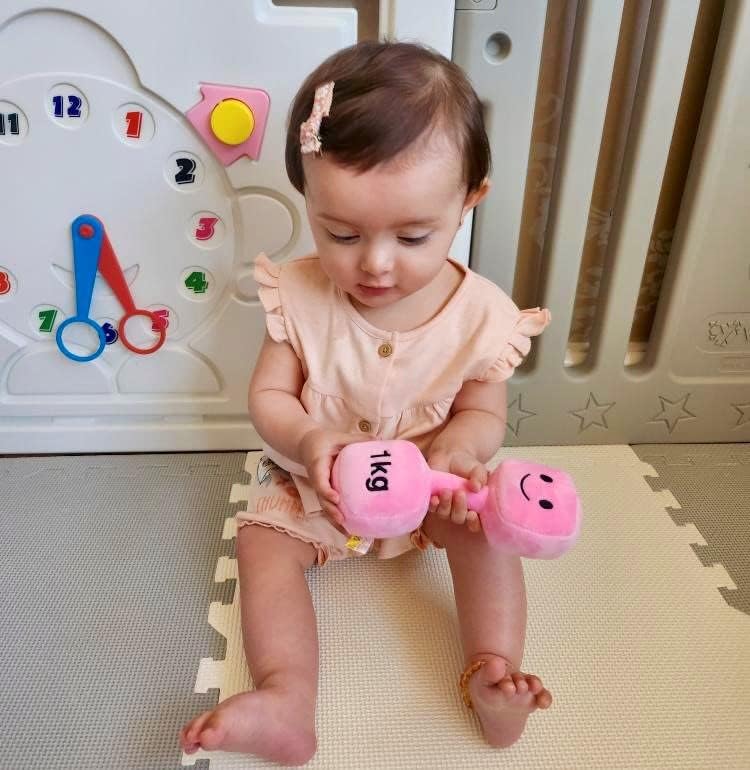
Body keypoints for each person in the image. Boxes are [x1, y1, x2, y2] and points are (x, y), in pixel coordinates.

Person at [181, 39, 552, 765]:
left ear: (470, 196)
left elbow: (484, 412)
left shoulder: (483, 317)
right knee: (263, 541)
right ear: (310, 201)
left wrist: (459, 450)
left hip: (433, 492)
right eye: (340, 233)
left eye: (414, 235)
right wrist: (313, 440)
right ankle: (287, 695)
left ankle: (493, 672)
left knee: (490, 534)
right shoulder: (301, 295)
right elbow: (269, 394)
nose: (374, 264)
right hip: (317, 487)